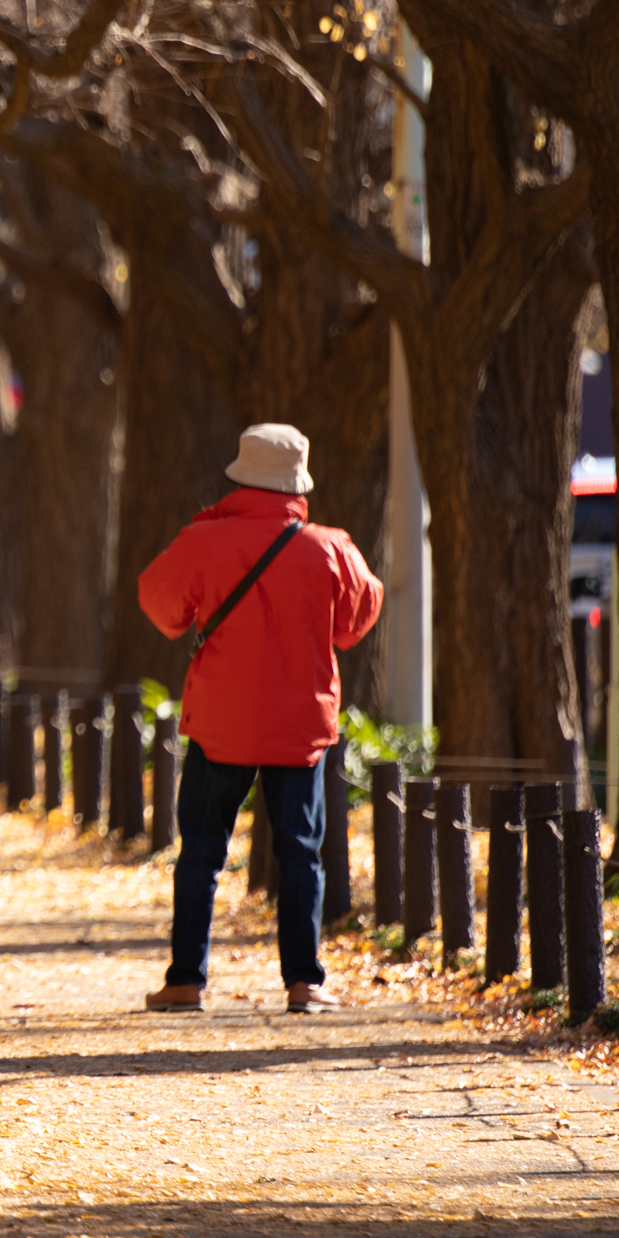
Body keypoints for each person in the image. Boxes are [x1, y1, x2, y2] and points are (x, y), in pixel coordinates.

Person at [134, 422, 383, 1016]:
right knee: (301, 852)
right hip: (299, 722)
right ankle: (305, 983)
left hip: (222, 719)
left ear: (241, 477)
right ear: (298, 483)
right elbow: (359, 616)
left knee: (201, 850)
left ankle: (187, 980)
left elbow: (160, 602)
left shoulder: (203, 541)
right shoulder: (330, 548)